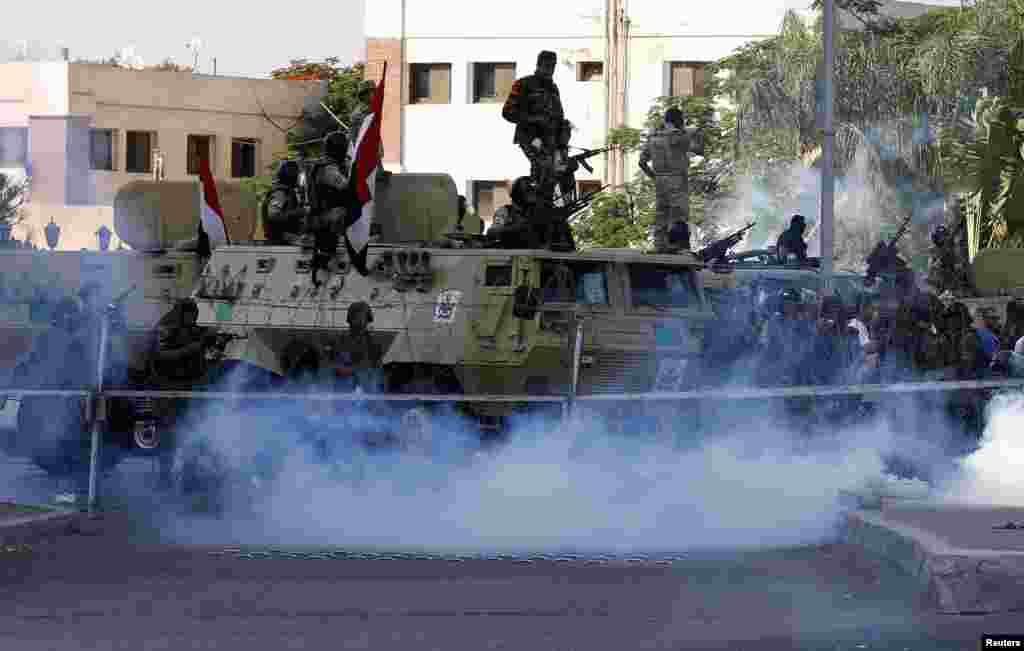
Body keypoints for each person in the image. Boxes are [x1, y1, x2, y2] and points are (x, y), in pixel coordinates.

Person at [502, 51, 566, 201]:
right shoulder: (524, 84)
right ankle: (533, 202)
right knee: (543, 168)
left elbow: (558, 115)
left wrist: (563, 130)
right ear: (539, 64)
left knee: (559, 172)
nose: (550, 69)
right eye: (547, 65)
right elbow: (507, 112)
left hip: (552, 141)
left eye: (553, 65)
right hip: (531, 138)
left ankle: (545, 204)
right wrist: (534, 119)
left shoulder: (553, 88)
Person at [638, 107, 702, 253]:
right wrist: (696, 133)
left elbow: (641, 163)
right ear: (679, 121)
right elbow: (699, 150)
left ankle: (659, 246)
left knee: (662, 215)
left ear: (665, 121)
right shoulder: (681, 137)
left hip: (660, 180)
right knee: (679, 215)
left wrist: (655, 177)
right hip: (677, 179)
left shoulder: (653, 138)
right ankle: (681, 248)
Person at [330, 301, 383, 393]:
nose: (360, 320)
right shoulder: (341, 340)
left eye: (362, 317)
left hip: (365, 387)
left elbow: (377, 368)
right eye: (357, 317)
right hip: (345, 388)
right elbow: (337, 366)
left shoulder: (373, 342)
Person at [487, 176, 542, 248]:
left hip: (534, 254)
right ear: (518, 193)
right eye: (529, 192)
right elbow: (492, 232)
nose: (533, 196)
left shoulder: (537, 213)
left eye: (534, 192)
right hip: (511, 253)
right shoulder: (505, 211)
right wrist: (515, 229)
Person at [261, 159, 305, 245]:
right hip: (280, 241)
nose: (299, 178)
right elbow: (273, 215)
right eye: (298, 175)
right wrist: (298, 212)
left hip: (285, 239)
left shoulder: (288, 192)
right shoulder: (280, 193)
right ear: (292, 176)